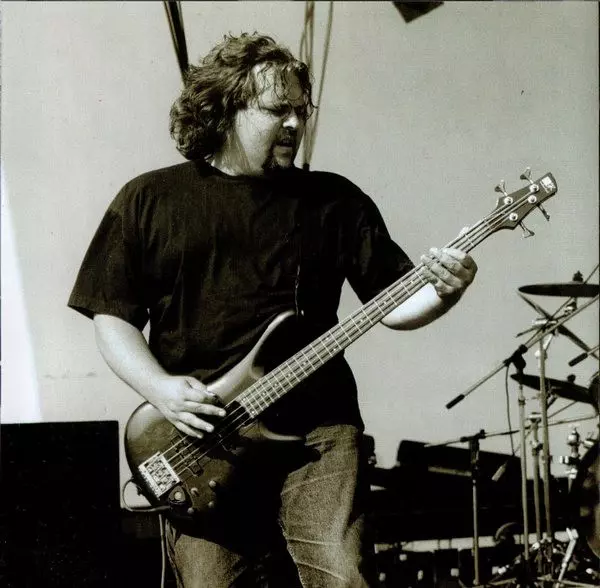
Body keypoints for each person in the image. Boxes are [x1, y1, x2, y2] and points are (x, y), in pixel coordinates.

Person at [68, 33, 477, 587]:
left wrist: (446, 290)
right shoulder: (149, 199)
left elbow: (394, 303)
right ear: (225, 109)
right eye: (276, 109)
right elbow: (112, 318)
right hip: (201, 440)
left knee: (340, 576)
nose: (293, 123)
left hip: (318, 430)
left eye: (301, 110)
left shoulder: (334, 200)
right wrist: (161, 390)